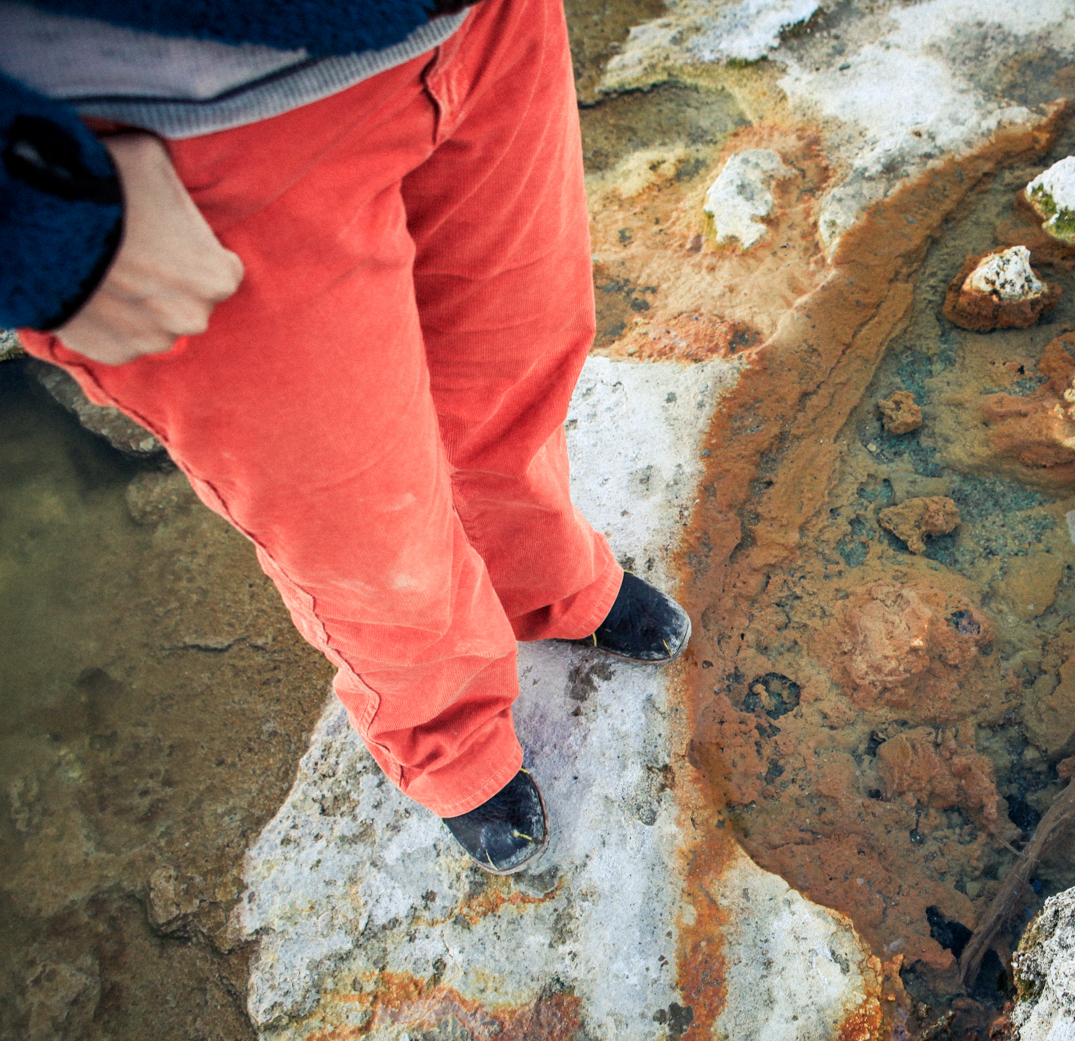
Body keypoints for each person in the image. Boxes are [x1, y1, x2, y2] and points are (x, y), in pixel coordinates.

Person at [0, 0, 690, 875]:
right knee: (358, 523)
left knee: (513, 370)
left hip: (488, 27)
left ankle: (543, 580)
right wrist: (37, 223)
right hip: (180, 128)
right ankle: (448, 736)